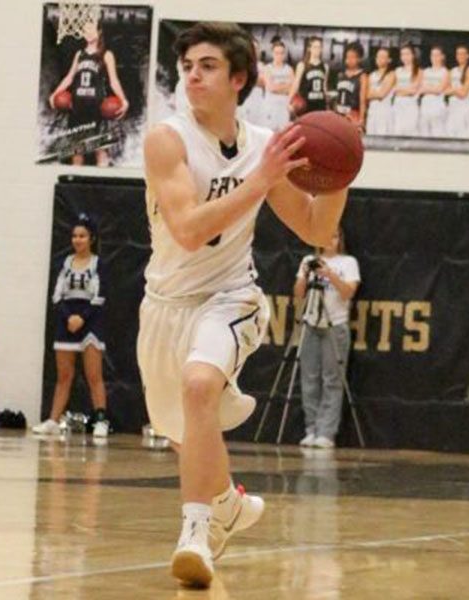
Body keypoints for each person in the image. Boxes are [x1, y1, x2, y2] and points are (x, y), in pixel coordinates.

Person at [139, 22, 349, 587]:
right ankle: (228, 504)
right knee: (187, 433)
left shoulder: (262, 145)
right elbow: (185, 229)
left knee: (200, 386)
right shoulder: (168, 139)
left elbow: (313, 228)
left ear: (238, 79)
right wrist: (259, 180)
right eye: (187, 66)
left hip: (231, 296)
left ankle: (194, 535)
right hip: (164, 303)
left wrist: (339, 175)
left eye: (206, 66)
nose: (192, 75)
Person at [33, 214, 110, 438]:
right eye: (75, 236)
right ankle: (53, 420)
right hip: (66, 322)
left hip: (91, 321)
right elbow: (57, 295)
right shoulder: (65, 263)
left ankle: (101, 420)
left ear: (92, 239)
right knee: (64, 376)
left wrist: (82, 318)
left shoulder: (98, 264)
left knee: (94, 375)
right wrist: (68, 317)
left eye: (82, 236)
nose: (77, 240)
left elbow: (100, 296)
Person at [292, 229, 360, 449]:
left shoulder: (348, 262)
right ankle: (310, 429)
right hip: (311, 322)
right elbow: (298, 293)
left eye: (334, 236)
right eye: (326, 235)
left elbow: (348, 292)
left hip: (335, 324)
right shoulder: (309, 260)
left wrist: (329, 274)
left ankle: (326, 432)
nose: (330, 241)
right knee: (309, 378)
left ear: (340, 239)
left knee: (332, 379)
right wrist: (305, 273)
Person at [48, 19, 130, 167]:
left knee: (101, 153)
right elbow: (69, 77)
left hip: (97, 110)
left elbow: (114, 81)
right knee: (77, 155)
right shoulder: (79, 54)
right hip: (78, 110)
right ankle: (74, 187)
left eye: (91, 29)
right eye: (85, 29)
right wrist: (55, 94)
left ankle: (103, 187)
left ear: (99, 32)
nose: (87, 32)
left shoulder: (106, 54)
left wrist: (124, 100)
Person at [289, 37, 329, 115]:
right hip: (306, 104)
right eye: (315, 47)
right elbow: (295, 85)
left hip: (320, 105)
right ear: (309, 48)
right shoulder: (302, 65)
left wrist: (327, 104)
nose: (317, 49)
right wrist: (289, 101)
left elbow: (324, 87)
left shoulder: (325, 67)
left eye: (319, 47)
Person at [333, 42, 368, 130]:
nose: (349, 60)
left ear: (359, 59)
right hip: (339, 113)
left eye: (353, 57)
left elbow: (362, 100)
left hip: (353, 114)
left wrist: (362, 119)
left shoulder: (362, 76)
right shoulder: (340, 75)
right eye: (348, 57)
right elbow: (337, 96)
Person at [261, 40, 294, 131]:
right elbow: (271, 88)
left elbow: (292, 88)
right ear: (272, 53)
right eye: (276, 53)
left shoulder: (289, 69)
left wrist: (278, 86)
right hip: (270, 108)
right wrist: (286, 86)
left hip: (284, 108)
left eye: (281, 53)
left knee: (283, 134)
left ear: (284, 54)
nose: (279, 55)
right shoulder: (267, 68)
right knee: (269, 135)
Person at [445, 44, 469, 138]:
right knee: (449, 133)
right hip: (452, 107)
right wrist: (456, 90)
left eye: (463, 54)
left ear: (468, 55)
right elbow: (445, 91)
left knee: (463, 135)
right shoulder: (452, 71)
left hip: (464, 108)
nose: (460, 56)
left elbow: (464, 93)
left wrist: (453, 90)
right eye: (458, 54)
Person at [419, 46, 450, 137]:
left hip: (438, 105)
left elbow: (440, 89)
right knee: (424, 133)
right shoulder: (426, 71)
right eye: (432, 55)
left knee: (438, 133)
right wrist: (433, 88)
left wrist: (428, 88)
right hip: (425, 105)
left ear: (442, 57)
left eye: (437, 55)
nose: (434, 58)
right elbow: (421, 88)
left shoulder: (445, 71)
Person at [392, 44, 422, 136]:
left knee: (411, 130)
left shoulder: (419, 71)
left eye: (407, 54)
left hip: (411, 105)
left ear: (413, 55)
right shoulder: (397, 71)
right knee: (397, 130)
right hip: (398, 104)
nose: (405, 57)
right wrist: (406, 90)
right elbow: (393, 89)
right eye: (403, 54)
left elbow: (414, 90)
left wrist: (401, 90)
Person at [366, 47, 395, 136]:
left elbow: (382, 94)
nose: (379, 59)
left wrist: (372, 93)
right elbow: (366, 95)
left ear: (389, 60)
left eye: (382, 57)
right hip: (372, 112)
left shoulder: (391, 74)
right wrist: (374, 93)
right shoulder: (371, 75)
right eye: (378, 57)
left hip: (384, 113)